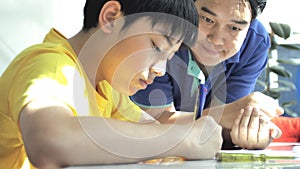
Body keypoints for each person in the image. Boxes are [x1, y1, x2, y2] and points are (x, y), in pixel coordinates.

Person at [0, 0, 224, 168]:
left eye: (169, 56)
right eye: (157, 47)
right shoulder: (49, 64)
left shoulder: (107, 89)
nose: (161, 70)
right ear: (111, 17)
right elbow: (50, 141)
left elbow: (151, 133)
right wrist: (182, 140)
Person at [131, 0, 283, 150]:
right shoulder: (162, 30)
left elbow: (222, 127)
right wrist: (219, 116)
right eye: (207, 19)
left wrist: (249, 131)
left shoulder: (254, 42)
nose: (216, 40)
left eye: (235, 28)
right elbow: (153, 123)